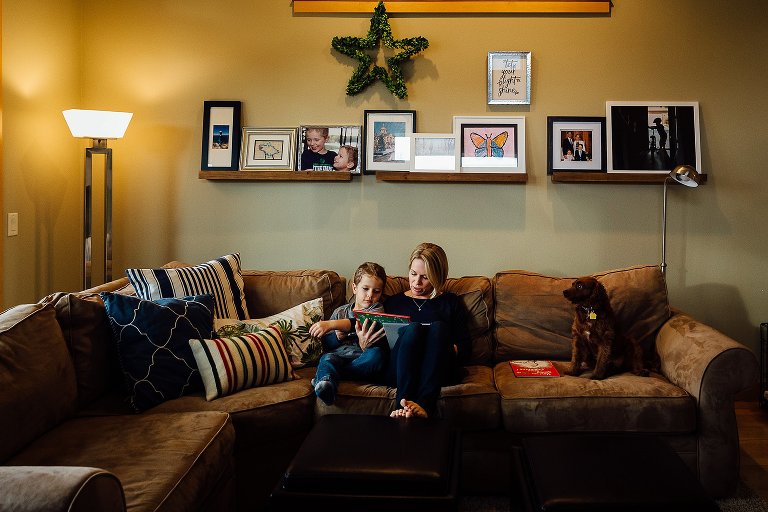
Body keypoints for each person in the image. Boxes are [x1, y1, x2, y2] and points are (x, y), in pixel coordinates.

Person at [358, 242, 470, 419]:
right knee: (413, 329)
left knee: (438, 328)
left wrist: (440, 348)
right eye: (413, 274)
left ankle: (423, 404)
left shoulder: (450, 302)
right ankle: (403, 403)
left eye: (425, 277)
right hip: (401, 369)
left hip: (438, 369)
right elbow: (382, 344)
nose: (417, 282)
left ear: (438, 276)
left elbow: (465, 346)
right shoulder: (393, 303)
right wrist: (365, 343)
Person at [309, 262, 388, 405]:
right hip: (338, 357)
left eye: (376, 291)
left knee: (377, 356)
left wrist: (331, 324)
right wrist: (336, 337)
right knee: (327, 358)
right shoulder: (340, 312)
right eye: (365, 289)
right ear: (354, 288)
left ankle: (331, 376)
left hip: (362, 359)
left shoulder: (377, 309)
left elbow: (357, 321)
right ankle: (325, 385)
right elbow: (326, 344)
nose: (370, 296)